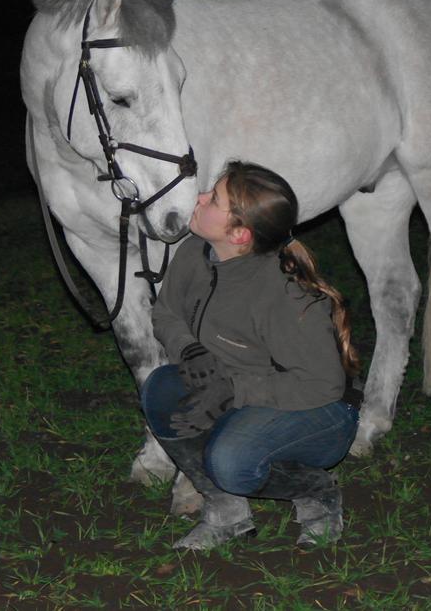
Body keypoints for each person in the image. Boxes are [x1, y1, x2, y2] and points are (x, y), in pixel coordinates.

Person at [143, 160, 361, 550]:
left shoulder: (283, 293)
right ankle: (226, 513)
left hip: (318, 411)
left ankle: (316, 493)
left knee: (231, 463)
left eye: (214, 199)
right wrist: (190, 351)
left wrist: (230, 392)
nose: (200, 198)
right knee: (161, 390)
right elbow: (166, 312)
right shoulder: (196, 252)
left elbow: (322, 384)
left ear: (240, 233)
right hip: (245, 390)